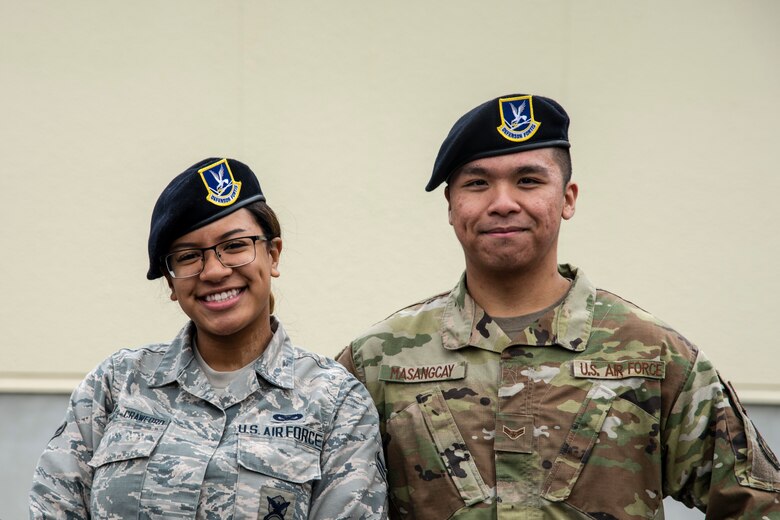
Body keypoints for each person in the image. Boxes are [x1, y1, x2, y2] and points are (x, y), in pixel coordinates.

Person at [337, 94, 780, 519]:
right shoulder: (379, 360)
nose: (503, 203)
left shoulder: (653, 355)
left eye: (528, 181)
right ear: (451, 207)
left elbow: (757, 503)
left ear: (567, 198)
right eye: (477, 183)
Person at [31, 157, 388, 519]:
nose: (215, 271)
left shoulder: (336, 402)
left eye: (234, 246)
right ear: (171, 282)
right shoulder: (115, 385)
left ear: (273, 254)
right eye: (189, 256)